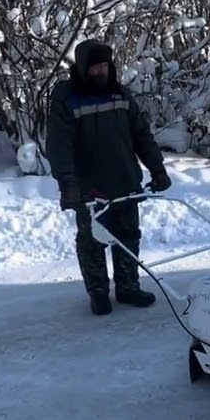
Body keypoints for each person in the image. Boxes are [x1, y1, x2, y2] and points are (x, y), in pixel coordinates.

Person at [45, 39, 171, 315]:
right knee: (92, 241)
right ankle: (98, 292)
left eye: (105, 65)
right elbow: (58, 144)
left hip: (125, 180)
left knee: (128, 236)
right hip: (88, 187)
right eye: (95, 67)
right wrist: (67, 181)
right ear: (83, 68)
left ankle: (128, 287)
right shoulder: (67, 98)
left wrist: (157, 169)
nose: (101, 71)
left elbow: (142, 135)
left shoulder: (121, 95)